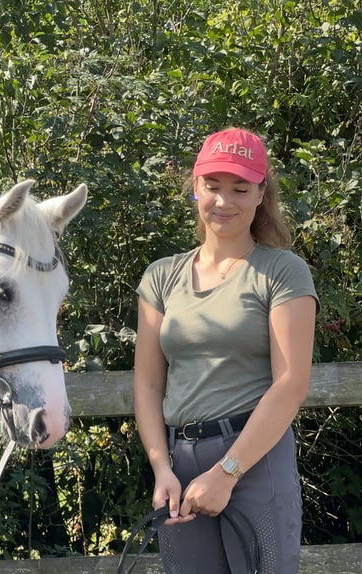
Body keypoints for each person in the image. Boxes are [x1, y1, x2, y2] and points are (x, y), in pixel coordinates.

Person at [133, 127, 319, 573]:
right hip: (179, 463)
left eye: (240, 188)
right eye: (212, 186)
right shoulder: (161, 277)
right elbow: (147, 381)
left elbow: (291, 383)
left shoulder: (282, 271)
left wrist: (226, 472)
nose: (224, 200)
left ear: (261, 195)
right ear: (196, 188)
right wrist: (161, 466)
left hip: (254, 458)